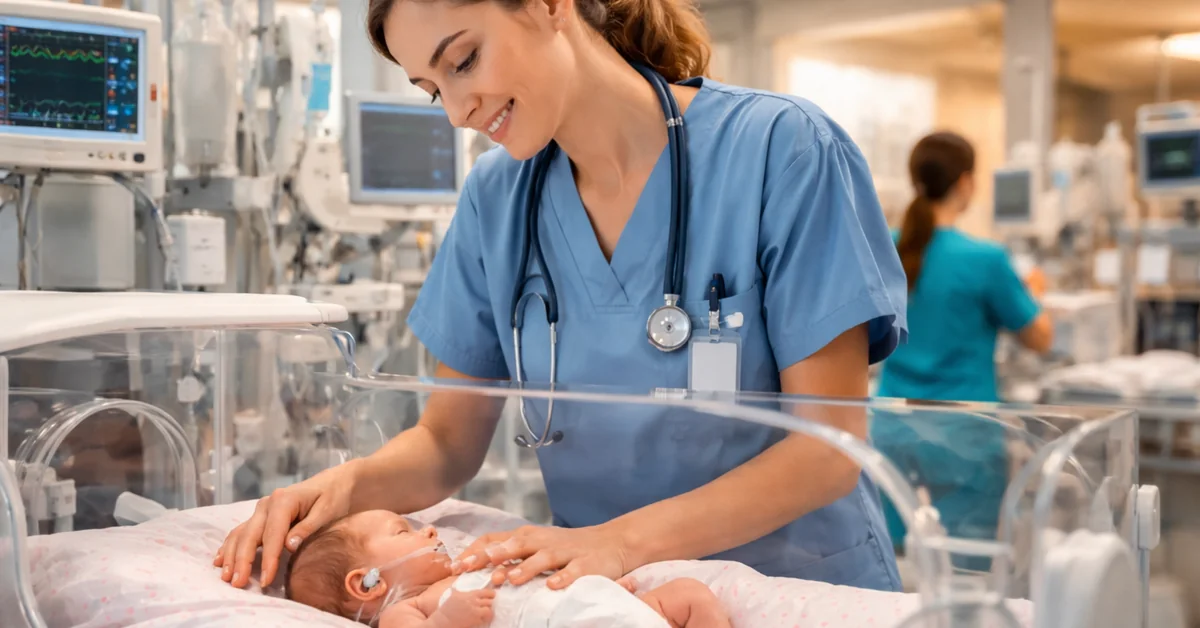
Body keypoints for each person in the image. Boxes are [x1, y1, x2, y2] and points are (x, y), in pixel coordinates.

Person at [217, 0, 910, 593]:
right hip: (614, 598)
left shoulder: (781, 151)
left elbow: (829, 448)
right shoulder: (498, 200)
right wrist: (342, 488)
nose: (458, 111)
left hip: (794, 590)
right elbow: (446, 442)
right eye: (433, 90)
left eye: (463, 62)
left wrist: (618, 542)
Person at [872, 131, 1053, 567]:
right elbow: (1039, 337)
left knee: (893, 565)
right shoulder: (985, 260)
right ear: (967, 183)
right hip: (964, 435)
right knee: (965, 567)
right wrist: (1034, 293)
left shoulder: (883, 248)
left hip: (892, 429)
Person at [286, 510, 730, 627]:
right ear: (368, 584)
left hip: (601, 607)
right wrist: (446, 620)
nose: (429, 532)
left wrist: (607, 590)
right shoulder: (412, 608)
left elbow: (548, 580)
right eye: (403, 532)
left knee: (689, 594)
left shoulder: (461, 572)